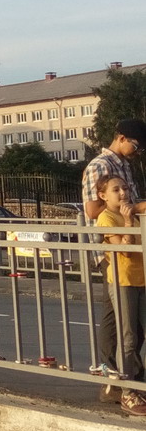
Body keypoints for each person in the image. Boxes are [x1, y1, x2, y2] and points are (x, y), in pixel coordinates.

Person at [82, 119, 146, 394]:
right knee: (117, 321)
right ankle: (115, 379)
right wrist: (136, 208)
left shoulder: (123, 165)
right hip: (110, 248)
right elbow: (93, 210)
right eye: (136, 146)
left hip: (132, 247)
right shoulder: (100, 165)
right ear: (121, 138)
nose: (138, 152)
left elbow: (128, 205)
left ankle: (126, 375)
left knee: (127, 320)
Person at [95, 173, 146, 417]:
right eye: (116, 190)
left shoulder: (133, 214)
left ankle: (139, 383)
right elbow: (123, 249)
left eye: (125, 188)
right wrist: (127, 221)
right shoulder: (106, 217)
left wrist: (133, 216)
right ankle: (127, 392)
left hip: (142, 279)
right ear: (103, 195)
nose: (123, 193)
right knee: (128, 337)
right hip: (122, 281)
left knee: (140, 334)